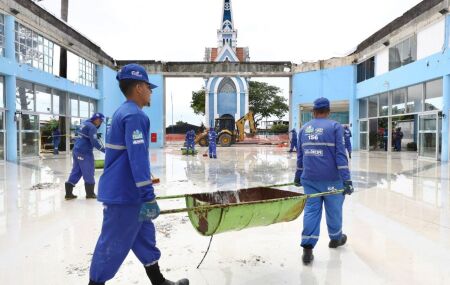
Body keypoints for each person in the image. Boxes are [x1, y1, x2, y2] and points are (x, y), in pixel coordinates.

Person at [88, 64, 188, 285]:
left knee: (144, 237)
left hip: (126, 191)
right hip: (125, 195)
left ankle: (159, 281)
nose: (151, 92)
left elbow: (129, 157)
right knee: (112, 244)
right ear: (140, 87)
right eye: (149, 88)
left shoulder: (122, 112)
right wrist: (148, 195)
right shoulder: (135, 116)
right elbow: (138, 159)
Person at [294, 97, 354, 265]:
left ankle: (307, 248)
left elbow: (301, 156)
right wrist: (347, 180)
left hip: (310, 179)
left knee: (311, 211)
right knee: (334, 209)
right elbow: (340, 156)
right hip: (332, 179)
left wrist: (298, 176)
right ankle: (335, 238)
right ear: (328, 111)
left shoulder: (304, 129)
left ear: (313, 111)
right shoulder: (335, 127)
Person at [65, 113, 105, 200]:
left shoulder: (85, 123)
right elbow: (95, 143)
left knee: (77, 170)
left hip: (76, 150)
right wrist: (105, 150)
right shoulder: (92, 127)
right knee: (89, 171)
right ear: (97, 120)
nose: (100, 123)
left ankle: (68, 194)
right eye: (101, 121)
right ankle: (90, 194)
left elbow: (83, 134)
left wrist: (94, 135)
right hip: (84, 152)